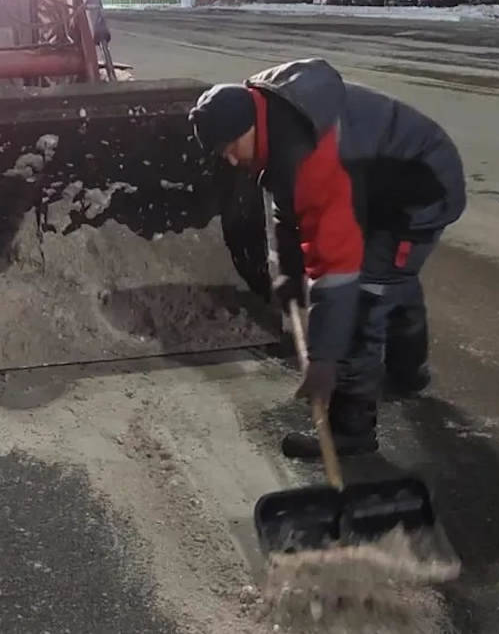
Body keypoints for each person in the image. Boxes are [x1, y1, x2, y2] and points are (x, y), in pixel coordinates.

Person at [190, 58, 466, 459]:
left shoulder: (311, 156)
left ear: (250, 125)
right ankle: (408, 375)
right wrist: (288, 271)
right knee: (392, 281)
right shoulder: (278, 123)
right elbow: (290, 212)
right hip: (383, 186)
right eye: (222, 153)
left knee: (365, 298)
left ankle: (351, 430)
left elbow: (336, 277)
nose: (231, 160)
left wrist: (324, 361)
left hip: (418, 194)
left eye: (232, 147)